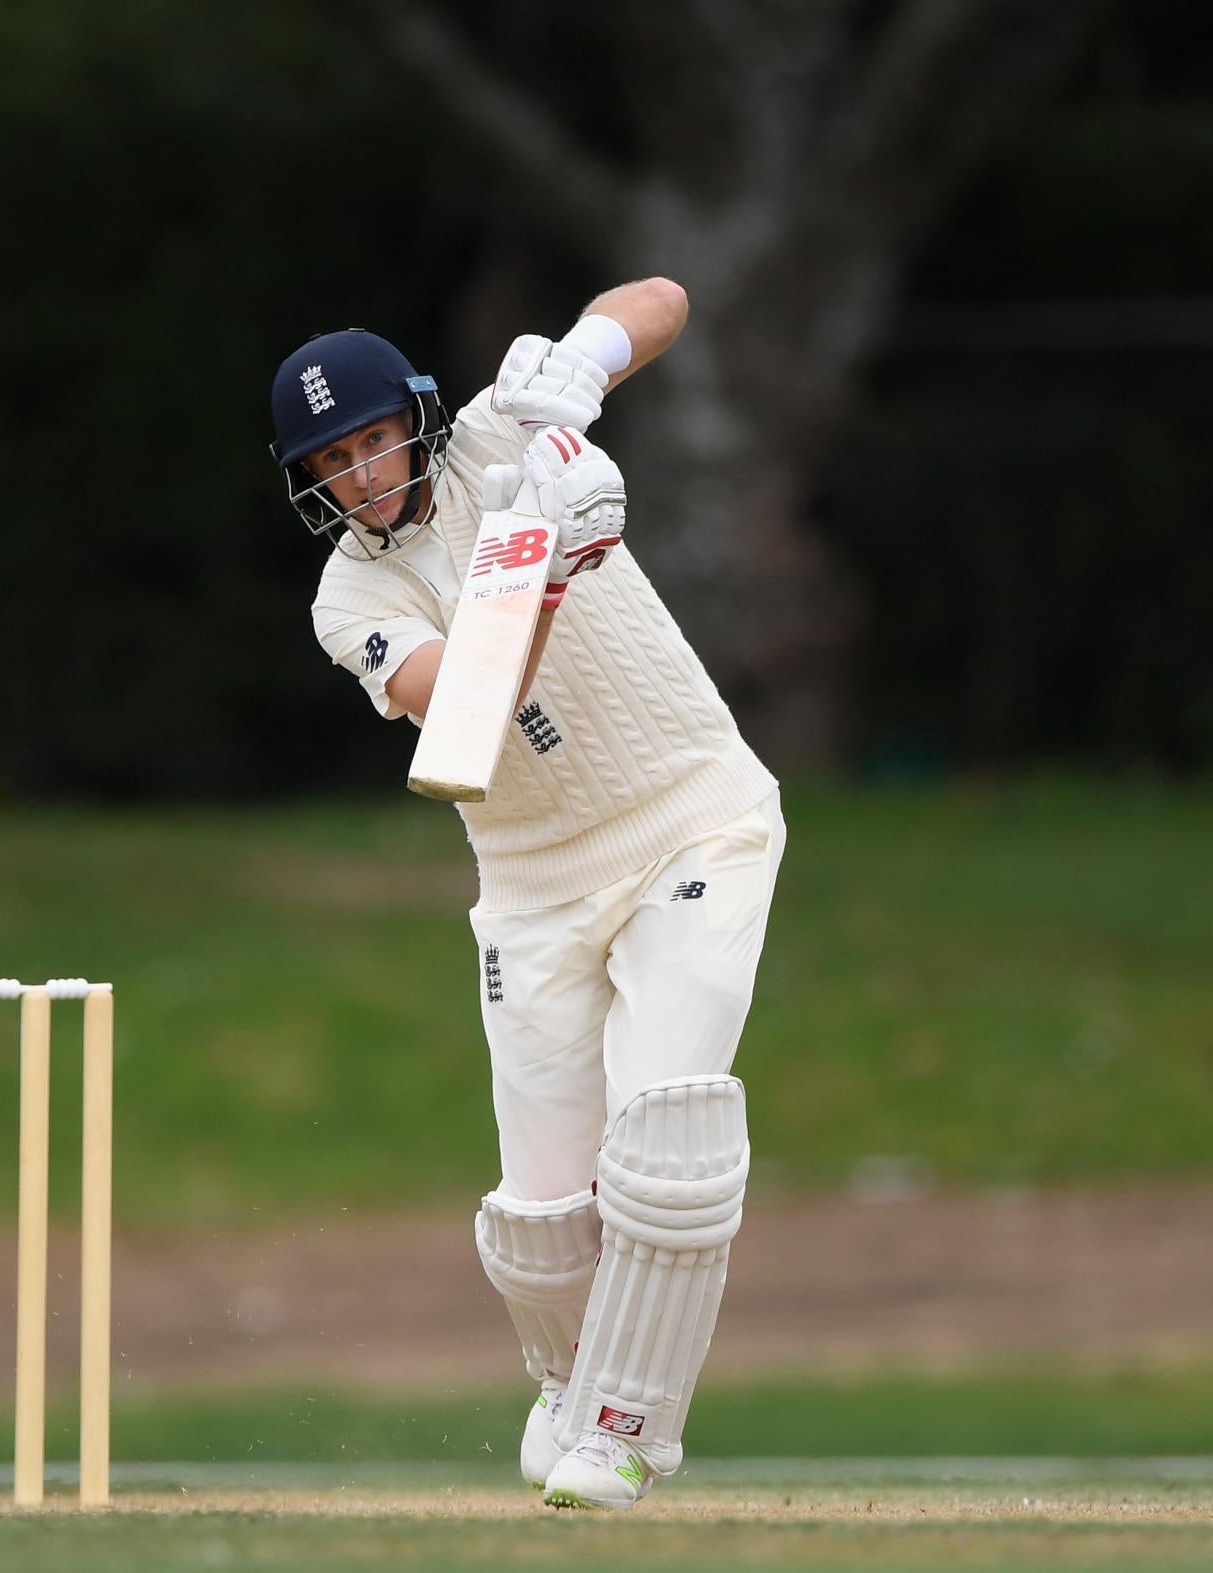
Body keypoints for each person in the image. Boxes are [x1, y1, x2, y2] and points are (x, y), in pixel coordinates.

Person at [271, 282, 785, 1509]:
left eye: (373, 437)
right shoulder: (350, 601)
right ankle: (565, 1381)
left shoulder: (507, 429)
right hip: (531, 889)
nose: (360, 470)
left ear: (416, 418)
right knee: (542, 1219)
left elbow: (662, 297)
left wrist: (580, 365)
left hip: (692, 815)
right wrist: (538, 561)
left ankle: (621, 1427)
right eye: (332, 460)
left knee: (667, 1139)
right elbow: (464, 712)